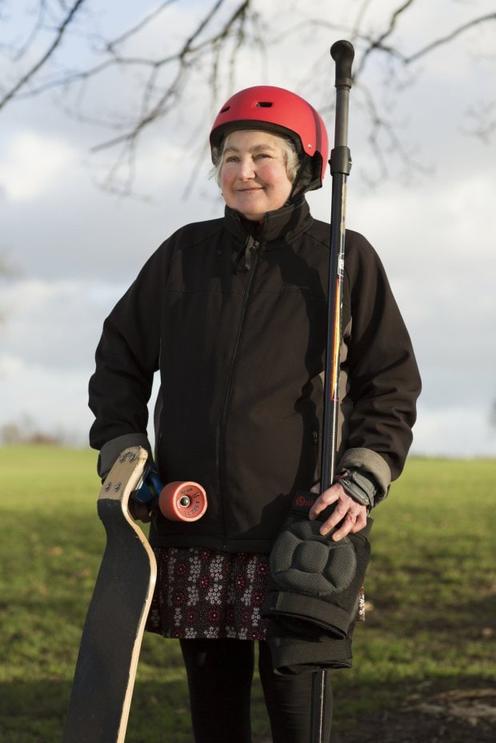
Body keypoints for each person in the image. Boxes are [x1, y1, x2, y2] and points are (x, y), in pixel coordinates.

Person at [88, 85, 421, 743]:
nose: (243, 171)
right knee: (215, 716)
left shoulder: (343, 261)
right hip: (195, 523)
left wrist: (359, 481)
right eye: (229, 156)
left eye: (262, 155)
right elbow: (118, 357)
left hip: (302, 530)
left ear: (302, 168)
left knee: (300, 714)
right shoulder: (181, 257)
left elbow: (390, 385)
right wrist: (128, 454)